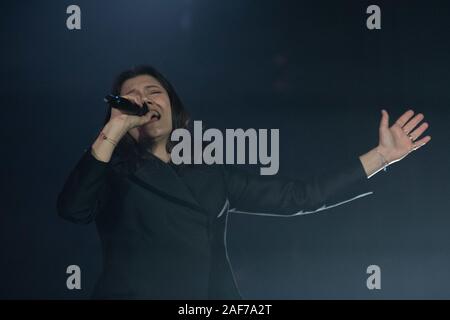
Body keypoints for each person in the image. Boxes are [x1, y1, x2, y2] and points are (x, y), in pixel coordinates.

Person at [56, 65, 431, 299]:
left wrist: (382, 156)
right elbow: (73, 209)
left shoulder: (210, 173)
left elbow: (299, 196)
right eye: (132, 96)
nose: (144, 99)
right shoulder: (111, 173)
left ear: (172, 105)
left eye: (154, 92)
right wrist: (116, 126)